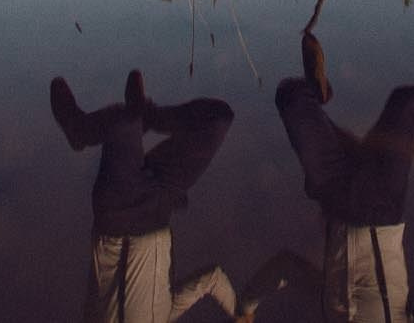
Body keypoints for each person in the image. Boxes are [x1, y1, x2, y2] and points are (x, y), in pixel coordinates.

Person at [265, 31, 414, 322]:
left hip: (334, 197)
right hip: (380, 207)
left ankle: (316, 89)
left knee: (291, 96)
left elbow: (287, 268)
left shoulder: (328, 310)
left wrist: (244, 308)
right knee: (409, 101)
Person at [50, 69, 263, 322]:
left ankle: (81, 131)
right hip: (160, 204)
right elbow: (212, 279)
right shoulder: (166, 315)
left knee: (122, 122)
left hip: (118, 212)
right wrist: (238, 312)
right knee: (217, 118)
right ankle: (147, 115)